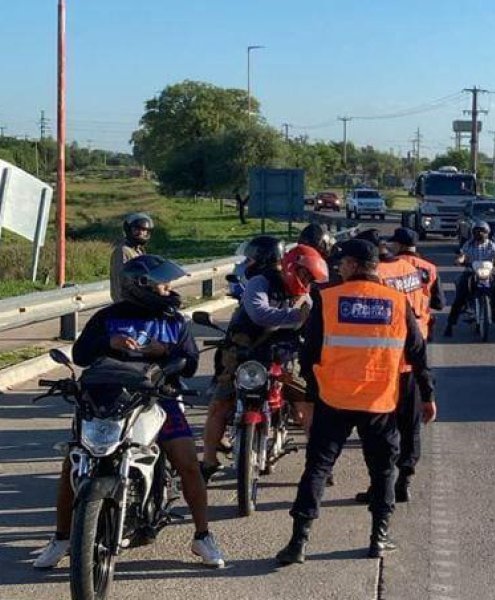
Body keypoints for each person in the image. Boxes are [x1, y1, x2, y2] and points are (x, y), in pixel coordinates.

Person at [33, 255, 225, 569]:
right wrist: (110, 341)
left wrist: (165, 352)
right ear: (141, 285)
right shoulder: (107, 318)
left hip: (159, 397)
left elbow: (189, 364)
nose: (168, 288)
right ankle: (62, 538)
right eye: (162, 283)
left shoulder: (173, 320)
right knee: (72, 462)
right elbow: (81, 355)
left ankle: (202, 536)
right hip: (105, 399)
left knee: (188, 462)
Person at [276, 239, 436, 565]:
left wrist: (310, 394)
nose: (338, 268)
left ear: (351, 265)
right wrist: (427, 396)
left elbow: (309, 353)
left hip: (333, 399)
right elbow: (418, 355)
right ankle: (379, 538)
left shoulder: (328, 298)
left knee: (317, 469)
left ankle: (298, 543)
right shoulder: (397, 301)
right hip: (379, 402)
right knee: (382, 472)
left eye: (342, 264)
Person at [200, 236, 316, 481]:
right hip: (245, 352)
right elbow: (259, 314)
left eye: (251, 257)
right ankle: (209, 460)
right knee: (220, 402)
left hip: (284, 355)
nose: (248, 262)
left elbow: (313, 320)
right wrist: (297, 316)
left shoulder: (304, 290)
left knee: (307, 403)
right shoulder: (260, 282)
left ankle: (318, 465)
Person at [354, 228, 431, 503]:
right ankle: (405, 479)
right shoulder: (406, 268)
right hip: (413, 356)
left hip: (385, 363)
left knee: (380, 430)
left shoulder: (377, 278)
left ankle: (380, 486)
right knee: (410, 427)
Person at [444, 220, 495, 337]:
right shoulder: (468, 244)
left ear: (487, 233)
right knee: (460, 294)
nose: (480, 234)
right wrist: (460, 261)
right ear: (473, 233)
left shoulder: (491, 245)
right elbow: (463, 255)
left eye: (483, 231)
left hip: (488, 272)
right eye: (477, 231)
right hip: (471, 272)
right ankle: (450, 324)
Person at [110, 212, 153, 302]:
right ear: (129, 230)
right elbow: (121, 283)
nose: (141, 233)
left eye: (144, 230)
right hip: (128, 306)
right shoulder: (123, 251)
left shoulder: (139, 251)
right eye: (137, 229)